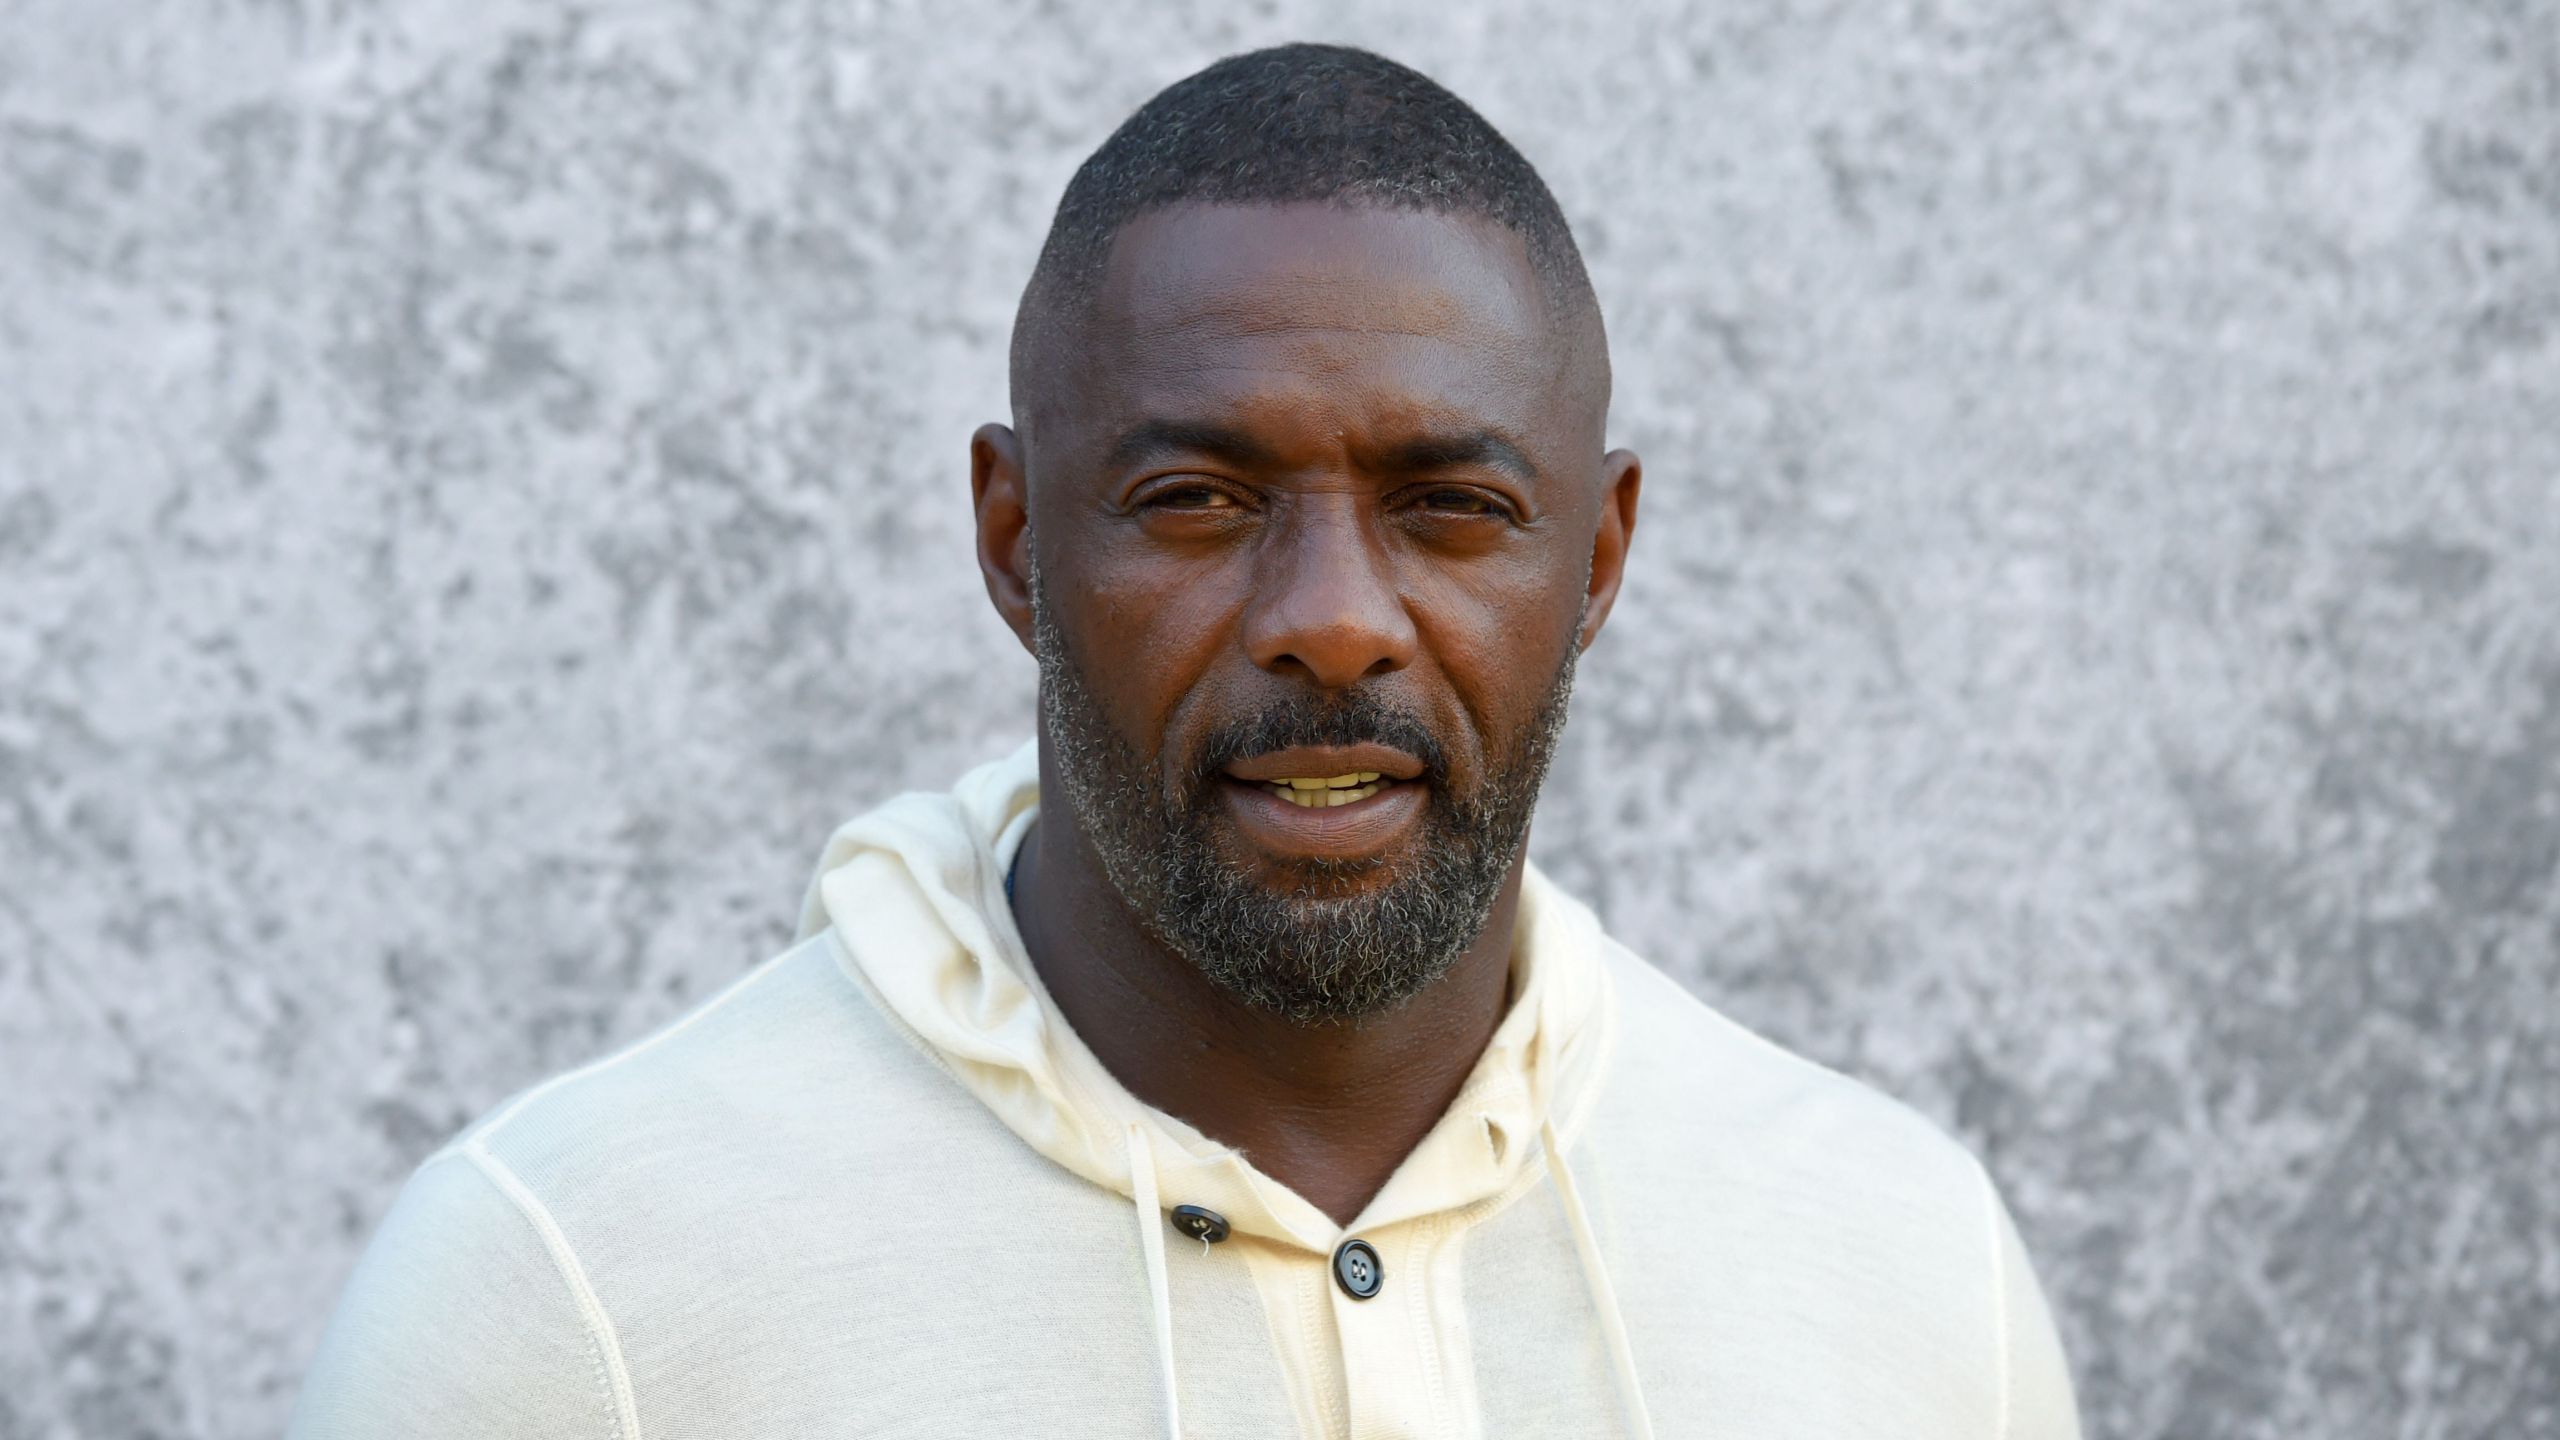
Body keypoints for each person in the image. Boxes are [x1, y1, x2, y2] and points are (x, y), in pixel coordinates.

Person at [289, 42, 2081, 1439]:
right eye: (1200, 497)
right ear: (1015, 542)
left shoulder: (1902, 1272)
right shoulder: (571, 1294)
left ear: (1598, 559)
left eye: (1451, 505)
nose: (1334, 616)